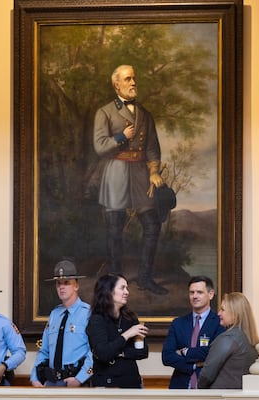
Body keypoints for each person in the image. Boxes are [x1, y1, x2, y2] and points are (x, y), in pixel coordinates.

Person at [93, 64, 167, 294]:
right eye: (128, 79)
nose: (133, 82)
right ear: (117, 84)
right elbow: (99, 146)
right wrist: (120, 137)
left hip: (140, 174)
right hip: (116, 171)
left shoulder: (145, 114)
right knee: (114, 227)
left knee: (152, 225)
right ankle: (115, 279)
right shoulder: (104, 112)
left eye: (134, 78)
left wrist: (154, 171)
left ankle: (145, 277)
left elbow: (153, 148)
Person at [30, 260, 93, 387]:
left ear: (76, 286)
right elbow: (44, 351)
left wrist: (80, 379)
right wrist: (34, 377)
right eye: (58, 283)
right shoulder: (54, 315)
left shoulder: (88, 314)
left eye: (66, 283)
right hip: (52, 382)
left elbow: (94, 352)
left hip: (77, 382)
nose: (61, 287)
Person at [161, 275, 226, 389]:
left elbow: (211, 353)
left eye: (199, 292)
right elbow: (167, 356)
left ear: (210, 294)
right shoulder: (178, 323)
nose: (194, 296)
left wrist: (184, 352)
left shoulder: (219, 323)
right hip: (179, 388)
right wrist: (193, 366)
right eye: (192, 292)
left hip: (208, 387)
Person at [86, 273, 148, 388]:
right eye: (122, 288)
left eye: (127, 288)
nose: (127, 292)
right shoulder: (97, 320)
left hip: (133, 384)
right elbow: (103, 353)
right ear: (109, 291)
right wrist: (127, 335)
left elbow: (142, 352)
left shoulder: (130, 317)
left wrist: (118, 352)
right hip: (106, 386)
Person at [198, 292, 259, 389]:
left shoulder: (227, 338)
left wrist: (199, 390)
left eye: (223, 309)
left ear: (235, 314)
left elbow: (206, 375)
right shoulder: (250, 339)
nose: (219, 313)